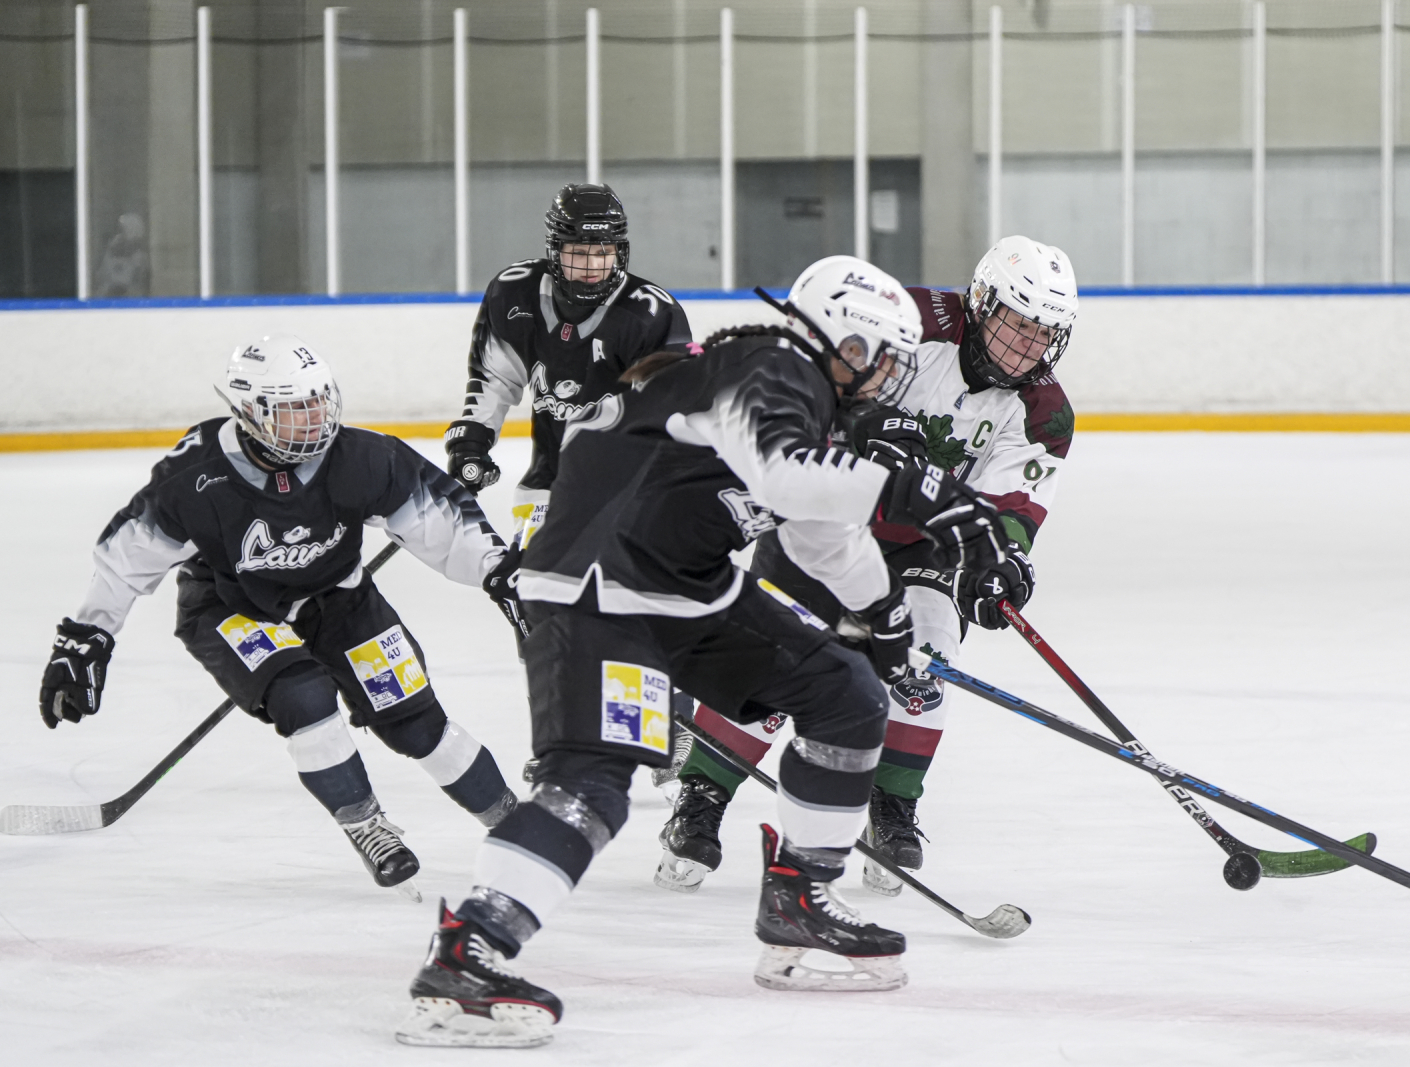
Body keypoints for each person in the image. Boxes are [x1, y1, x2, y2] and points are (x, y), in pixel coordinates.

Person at [395, 256, 1007, 1048]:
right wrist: (925, 494)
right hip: (598, 590)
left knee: (846, 692)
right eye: (883, 358)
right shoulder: (769, 364)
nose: (890, 378)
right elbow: (784, 478)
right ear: (844, 341)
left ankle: (799, 899)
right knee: (592, 784)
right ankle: (469, 952)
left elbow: (820, 536)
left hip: (684, 590)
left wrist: (885, 615)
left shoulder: (792, 391)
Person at [658, 235, 1078, 897]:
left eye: (1044, 333)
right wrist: (867, 423)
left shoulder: (1044, 413)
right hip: (827, 513)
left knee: (929, 658)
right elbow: (817, 377)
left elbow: (1012, 506)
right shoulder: (911, 320)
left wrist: (997, 564)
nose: (1029, 345)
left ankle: (893, 807)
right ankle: (701, 798)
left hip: (922, 542)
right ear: (981, 302)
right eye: (1018, 324)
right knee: (773, 655)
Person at [37, 336, 526, 897]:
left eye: (319, 401)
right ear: (250, 411)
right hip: (230, 606)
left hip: (338, 598)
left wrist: (496, 568)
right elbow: (127, 559)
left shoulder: (360, 457)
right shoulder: (195, 475)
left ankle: (514, 821)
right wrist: (87, 636)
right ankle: (365, 825)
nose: (315, 418)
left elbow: (437, 518)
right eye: (295, 408)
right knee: (303, 695)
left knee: (414, 720)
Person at [442, 182, 693, 552]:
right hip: (551, 480)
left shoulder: (650, 314)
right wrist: (472, 441)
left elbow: (675, 409)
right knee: (531, 580)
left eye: (603, 252)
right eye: (578, 252)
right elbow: (495, 379)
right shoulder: (515, 294)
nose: (592, 266)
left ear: (619, 251)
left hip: (633, 484)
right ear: (555, 250)